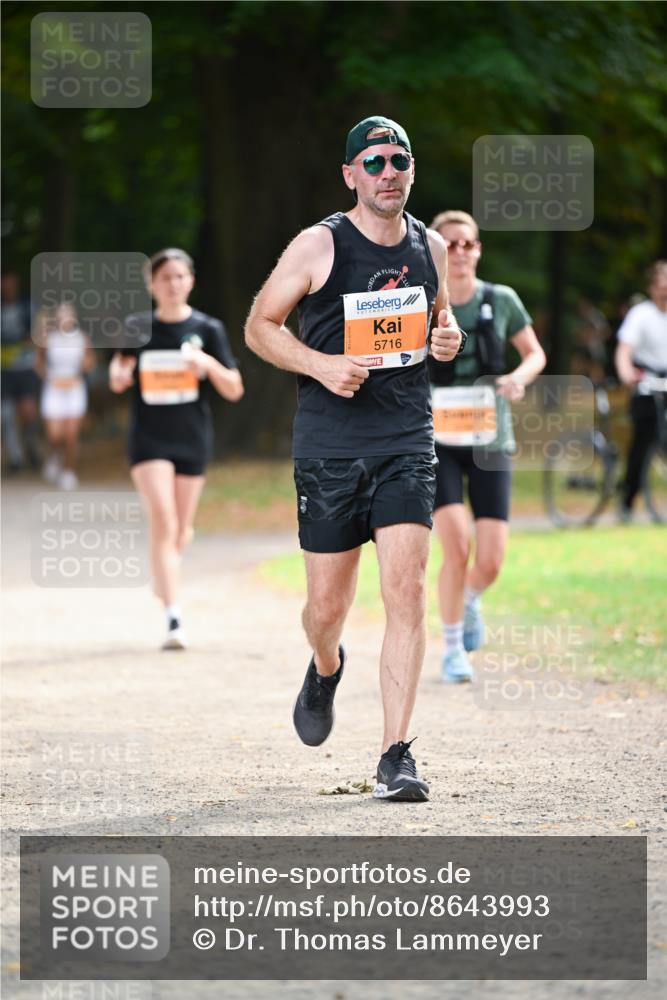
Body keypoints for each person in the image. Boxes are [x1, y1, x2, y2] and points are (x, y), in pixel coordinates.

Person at [245, 116, 462, 802]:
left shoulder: (427, 244)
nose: (387, 171)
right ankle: (323, 663)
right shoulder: (319, 244)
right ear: (350, 174)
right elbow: (259, 325)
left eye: (399, 158)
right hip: (331, 446)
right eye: (373, 161)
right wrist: (320, 364)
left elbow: (439, 321)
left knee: (405, 590)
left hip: (405, 439)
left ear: (411, 169)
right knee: (326, 606)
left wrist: (446, 337)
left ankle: (395, 754)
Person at [427, 210, 546, 683]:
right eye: (449, 244)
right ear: (436, 251)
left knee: (491, 560)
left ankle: (470, 599)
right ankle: (453, 647)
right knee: (456, 546)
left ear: (479, 249)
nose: (459, 252)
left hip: (491, 440)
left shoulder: (502, 300)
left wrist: (518, 378)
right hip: (436, 442)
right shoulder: (419, 304)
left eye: (467, 244)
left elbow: (535, 352)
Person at [109, 248, 244, 649]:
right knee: (164, 523)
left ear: (191, 281)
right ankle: (174, 618)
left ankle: (162, 574)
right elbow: (119, 375)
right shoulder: (137, 327)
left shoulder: (208, 328)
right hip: (149, 440)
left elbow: (235, 389)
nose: (172, 284)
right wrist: (119, 374)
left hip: (191, 439)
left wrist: (205, 364)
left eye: (179, 277)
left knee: (180, 531)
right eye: (164, 277)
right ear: (152, 285)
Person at [615, 260, 667, 521]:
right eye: (661, 285)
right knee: (643, 440)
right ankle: (628, 497)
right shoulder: (641, 314)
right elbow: (625, 350)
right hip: (646, 381)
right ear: (652, 287)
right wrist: (627, 374)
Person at [34, 302, 96, 490]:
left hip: (74, 387)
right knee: (55, 434)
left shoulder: (81, 338)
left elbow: (90, 361)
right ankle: (55, 455)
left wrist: (85, 365)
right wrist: (50, 378)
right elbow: (39, 363)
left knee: (71, 434)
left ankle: (69, 471)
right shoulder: (48, 340)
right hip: (54, 388)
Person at [1, 271, 40, 471]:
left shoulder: (28, 307)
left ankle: (30, 445)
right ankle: (16, 458)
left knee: (28, 413)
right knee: (6, 415)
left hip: (25, 368)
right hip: (3, 371)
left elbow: (39, 332)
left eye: (11, 283)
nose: (8, 287)